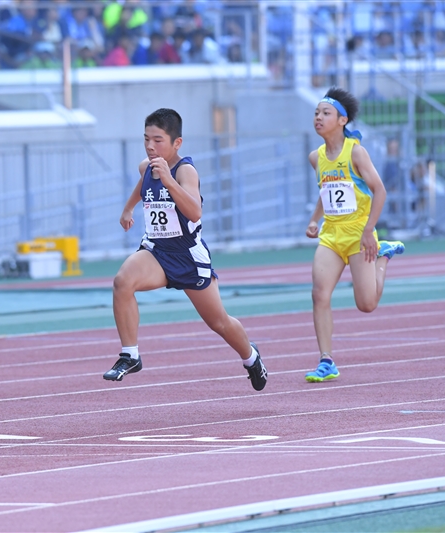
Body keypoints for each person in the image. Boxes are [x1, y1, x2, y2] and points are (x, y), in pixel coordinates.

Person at [103, 108, 268, 391]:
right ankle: (130, 355)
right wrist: (129, 207)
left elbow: (194, 212)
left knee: (219, 322)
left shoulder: (185, 171)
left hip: (188, 256)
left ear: (176, 143)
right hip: (156, 251)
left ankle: (251, 357)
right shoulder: (147, 167)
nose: (150, 146)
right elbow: (143, 183)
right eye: (146, 139)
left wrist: (168, 180)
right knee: (122, 282)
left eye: (158, 140)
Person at [304, 87, 405, 383]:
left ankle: (383, 256)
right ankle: (326, 360)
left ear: (342, 120)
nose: (319, 118)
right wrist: (314, 220)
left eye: (326, 113)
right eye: (316, 113)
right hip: (332, 235)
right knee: (319, 294)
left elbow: (379, 190)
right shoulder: (316, 157)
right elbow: (328, 191)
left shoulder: (356, 152)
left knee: (367, 305)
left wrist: (369, 231)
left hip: (360, 234)